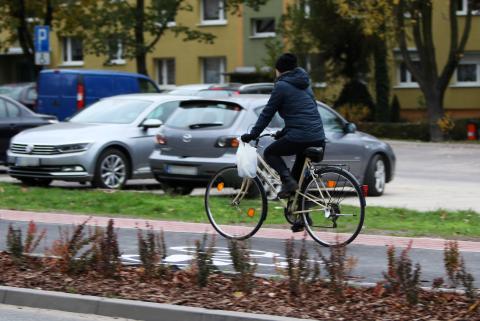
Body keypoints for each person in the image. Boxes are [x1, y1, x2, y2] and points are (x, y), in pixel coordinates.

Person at [241, 53, 325, 199]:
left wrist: (253, 134)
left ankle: (287, 181)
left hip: (300, 138)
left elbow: (267, 113)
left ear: (278, 70)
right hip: (319, 138)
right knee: (297, 177)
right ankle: (300, 215)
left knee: (270, 153)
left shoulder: (282, 86)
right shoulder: (306, 85)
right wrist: (284, 132)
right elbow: (304, 116)